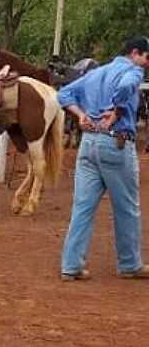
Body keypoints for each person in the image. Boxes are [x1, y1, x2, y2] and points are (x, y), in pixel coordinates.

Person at [58, 37, 149, 281]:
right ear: (135, 53)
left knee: (82, 207)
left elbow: (65, 93)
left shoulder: (96, 73)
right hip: (115, 143)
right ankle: (129, 263)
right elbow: (126, 87)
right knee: (127, 207)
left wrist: (80, 115)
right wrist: (117, 110)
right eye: (146, 58)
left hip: (88, 143)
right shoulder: (133, 71)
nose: (146, 64)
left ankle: (71, 265)